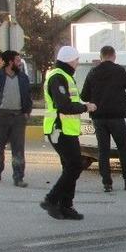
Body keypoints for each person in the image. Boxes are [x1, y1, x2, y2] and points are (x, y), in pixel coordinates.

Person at [41, 46, 96, 220]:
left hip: (67, 129)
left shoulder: (63, 76)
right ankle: (52, 199)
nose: (78, 63)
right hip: (59, 129)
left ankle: (66, 206)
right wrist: (85, 107)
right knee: (74, 166)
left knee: (70, 167)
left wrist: (83, 104)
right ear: (70, 60)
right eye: (76, 60)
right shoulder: (58, 77)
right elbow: (63, 105)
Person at [80, 45, 126, 192]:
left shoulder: (93, 72)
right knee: (123, 149)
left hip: (98, 118)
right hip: (116, 117)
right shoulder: (119, 70)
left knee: (103, 151)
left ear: (101, 56)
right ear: (114, 56)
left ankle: (107, 183)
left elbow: (84, 96)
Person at [0, 50, 32, 187]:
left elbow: (28, 96)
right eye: (17, 60)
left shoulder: (23, 78)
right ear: (10, 62)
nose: (19, 63)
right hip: (0, 117)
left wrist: (27, 111)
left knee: (18, 149)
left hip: (18, 117)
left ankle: (18, 177)